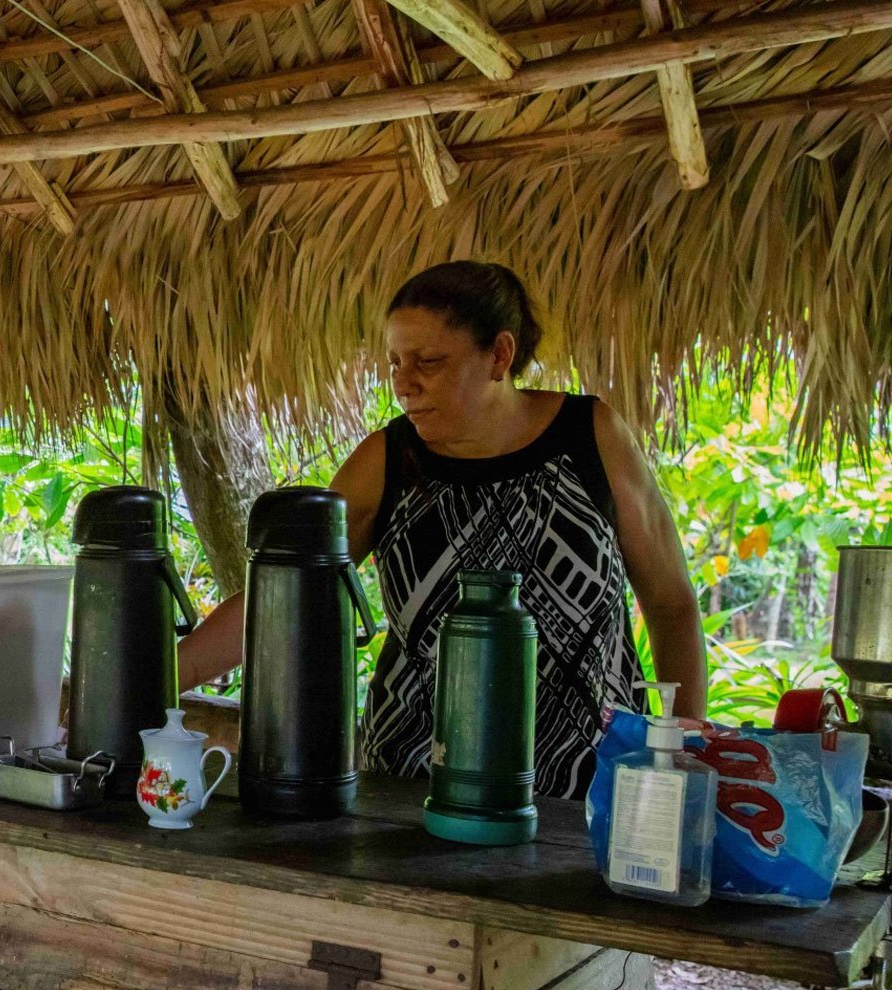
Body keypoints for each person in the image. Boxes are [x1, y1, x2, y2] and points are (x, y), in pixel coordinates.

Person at [177, 260, 706, 799]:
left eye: (428, 361)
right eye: (395, 364)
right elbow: (278, 597)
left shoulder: (591, 438)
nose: (404, 384)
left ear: (499, 355)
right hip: (416, 790)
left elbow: (671, 605)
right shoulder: (385, 462)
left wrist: (685, 747)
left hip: (592, 793)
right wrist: (163, 679)